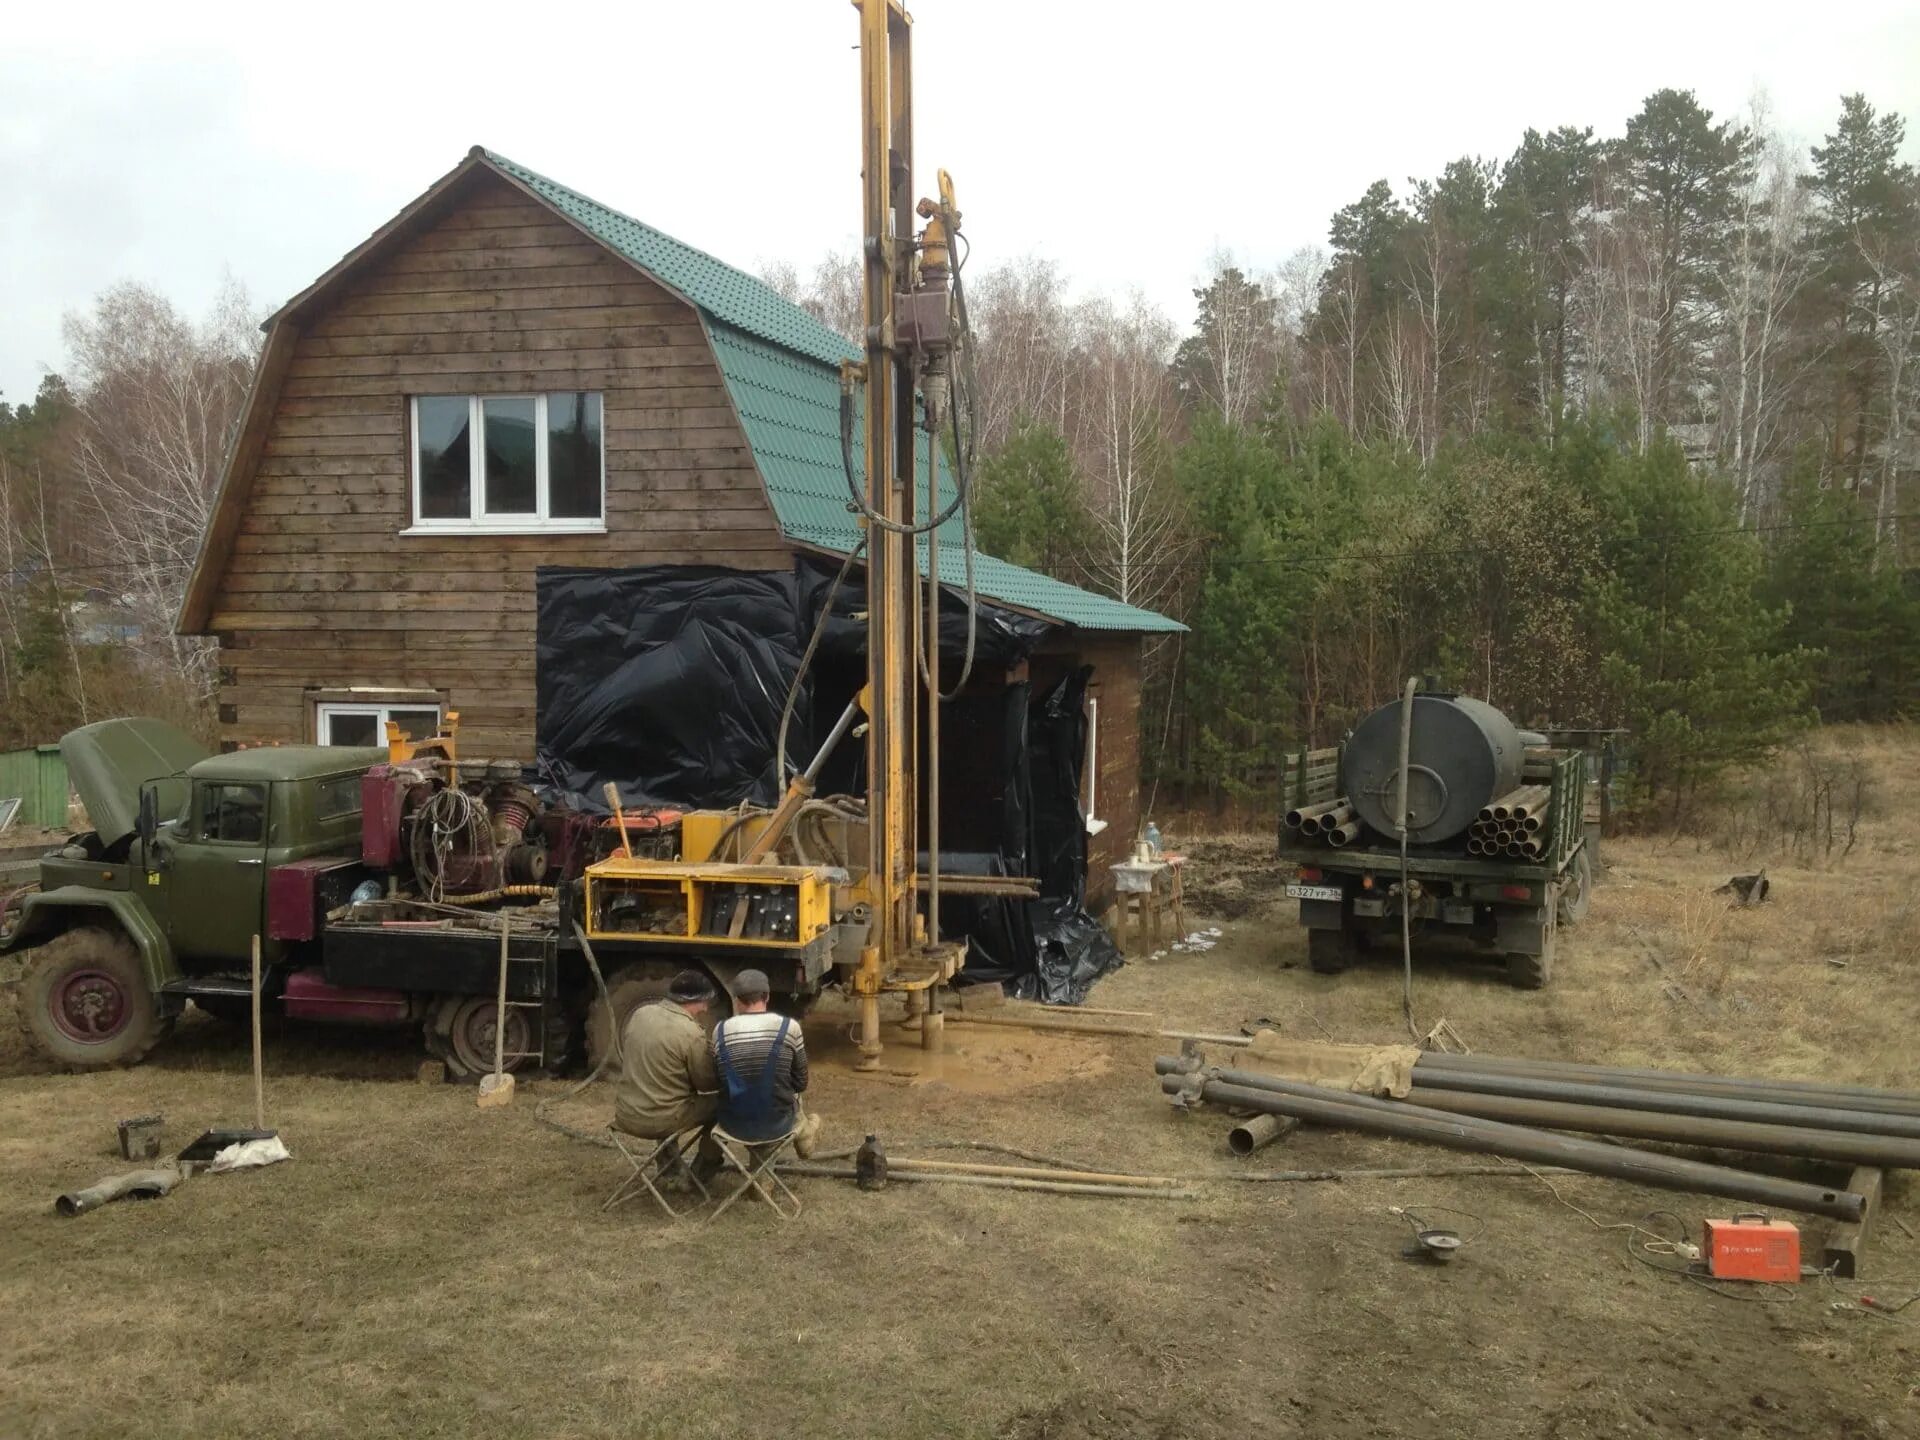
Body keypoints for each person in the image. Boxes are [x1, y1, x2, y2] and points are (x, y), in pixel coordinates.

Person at [710, 969, 821, 1156]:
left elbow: (718, 1080)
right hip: (778, 1125)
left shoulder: (720, 1031)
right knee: (791, 1098)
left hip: (733, 1124)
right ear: (767, 997)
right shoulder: (789, 1027)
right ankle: (806, 1136)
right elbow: (801, 1082)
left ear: (737, 999)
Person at [613, 970, 720, 1161]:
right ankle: (704, 1167)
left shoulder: (640, 1014)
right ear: (693, 1000)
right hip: (660, 1120)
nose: (705, 1009)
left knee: (664, 1095)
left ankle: (670, 1168)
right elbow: (705, 1084)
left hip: (626, 1114)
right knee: (724, 1104)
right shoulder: (690, 1033)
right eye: (704, 1002)